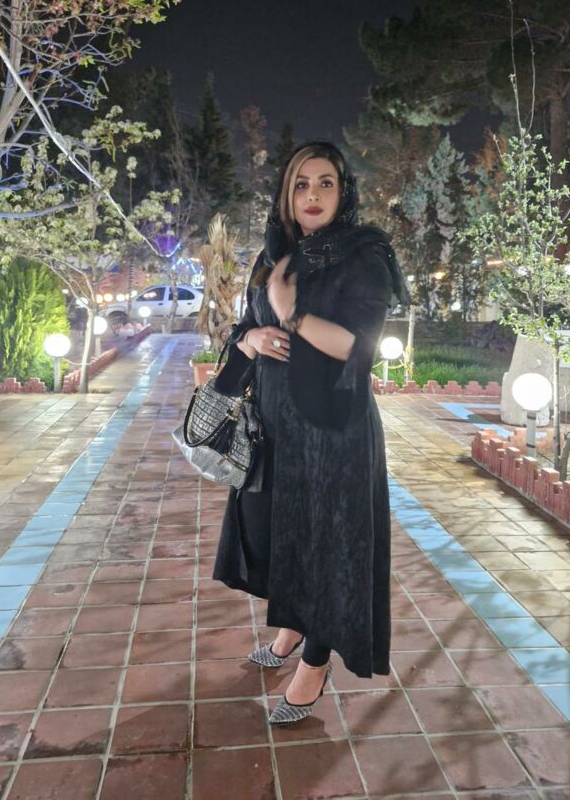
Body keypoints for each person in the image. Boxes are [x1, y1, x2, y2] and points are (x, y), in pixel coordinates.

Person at [212, 141, 409, 725]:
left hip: (333, 432)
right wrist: (251, 338)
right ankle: (293, 626)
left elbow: (355, 344)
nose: (313, 195)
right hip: (277, 428)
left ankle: (315, 664)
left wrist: (292, 314)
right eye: (301, 184)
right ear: (287, 194)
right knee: (284, 534)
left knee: (328, 546)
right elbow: (249, 324)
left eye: (326, 183)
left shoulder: (364, 254)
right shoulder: (275, 252)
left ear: (344, 191)